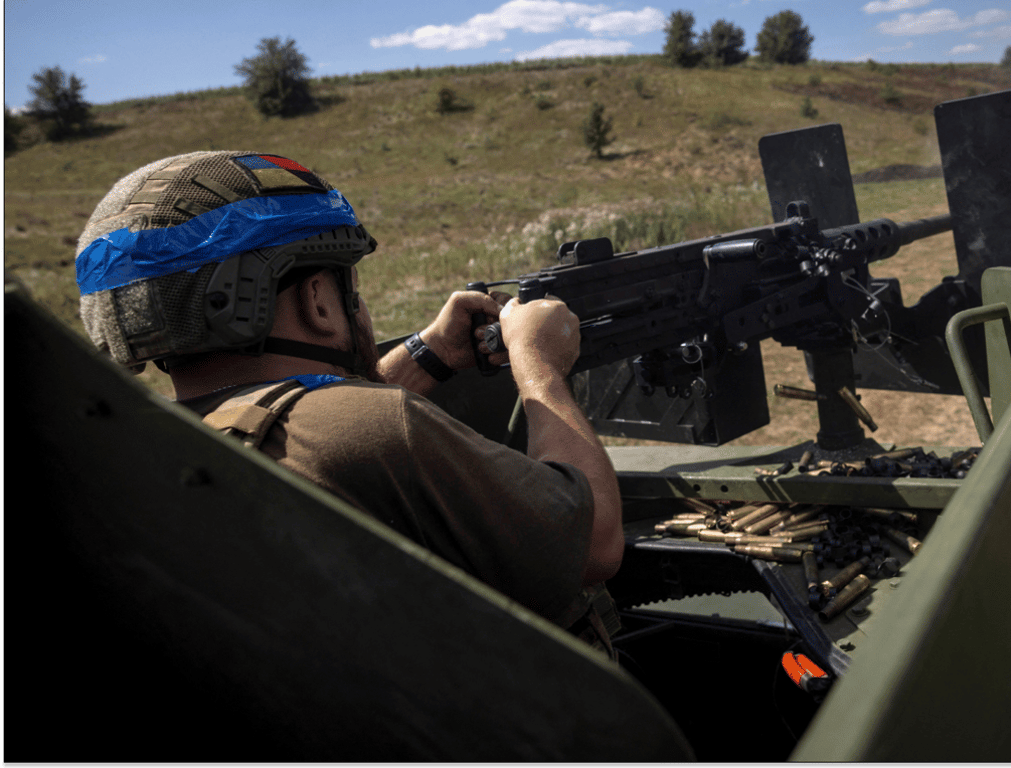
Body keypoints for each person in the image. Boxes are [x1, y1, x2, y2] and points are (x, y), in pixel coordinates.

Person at [74, 151, 623, 642]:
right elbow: (594, 542)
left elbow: (298, 417)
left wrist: (428, 353)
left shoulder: (153, 447)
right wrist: (540, 365)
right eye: (347, 284)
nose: (358, 306)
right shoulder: (382, 427)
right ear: (317, 298)